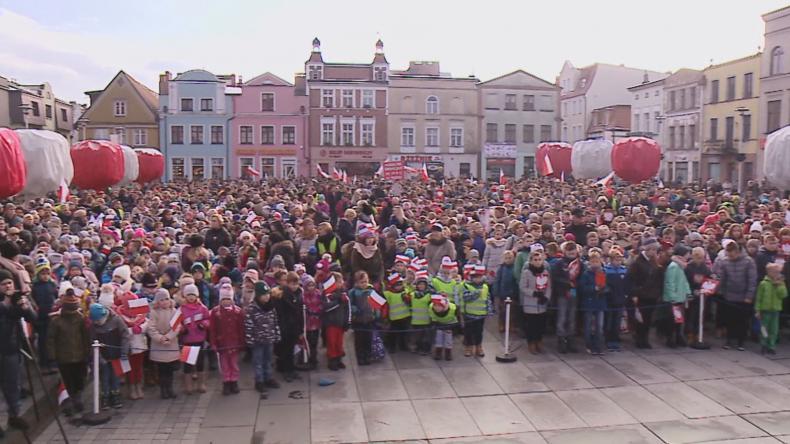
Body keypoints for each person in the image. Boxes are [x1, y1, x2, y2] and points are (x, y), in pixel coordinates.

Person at [0, 269, 36, 433]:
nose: (7, 286)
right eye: (3, 284)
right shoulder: (4, 304)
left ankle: (14, 415)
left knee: (13, 384)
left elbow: (33, 319)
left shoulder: (18, 298)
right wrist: (7, 305)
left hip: (12, 349)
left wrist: (25, 307)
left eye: (9, 282)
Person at [47, 282, 90, 416]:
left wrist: (87, 351)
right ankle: (71, 400)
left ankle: (78, 397)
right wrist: (52, 355)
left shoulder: (81, 319)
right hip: (63, 357)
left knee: (80, 379)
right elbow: (50, 339)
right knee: (67, 380)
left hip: (79, 356)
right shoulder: (56, 321)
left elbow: (85, 337)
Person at [715, 241, 757, 351]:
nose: (730, 257)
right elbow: (722, 278)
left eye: (732, 254)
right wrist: (719, 291)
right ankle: (729, 340)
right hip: (729, 296)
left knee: (742, 320)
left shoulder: (749, 262)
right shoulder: (725, 261)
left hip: (743, 297)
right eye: (728, 255)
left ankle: (741, 341)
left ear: (737, 251)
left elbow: (752, 280)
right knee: (730, 319)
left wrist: (749, 296)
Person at [88, 302, 129, 410]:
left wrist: (123, 351)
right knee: (104, 378)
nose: (98, 323)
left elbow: (125, 335)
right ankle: (105, 397)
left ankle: (116, 396)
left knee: (115, 377)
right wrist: (99, 358)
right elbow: (92, 342)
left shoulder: (116, 320)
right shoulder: (93, 327)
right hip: (103, 356)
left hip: (116, 354)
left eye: (99, 320)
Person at [244, 282, 281, 393]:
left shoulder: (271, 307)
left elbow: (275, 322)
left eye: (268, 294)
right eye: (264, 295)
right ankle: (259, 381)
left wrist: (277, 334)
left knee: (268, 360)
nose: (267, 297)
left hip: (269, 338)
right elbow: (248, 325)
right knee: (258, 361)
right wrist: (249, 339)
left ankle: (268, 377)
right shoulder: (251, 308)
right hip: (257, 341)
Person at [626, 237, 663, 349]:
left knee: (648, 319)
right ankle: (639, 339)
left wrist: (657, 292)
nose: (653, 252)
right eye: (652, 249)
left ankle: (645, 339)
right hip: (641, 295)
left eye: (655, 250)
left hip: (652, 295)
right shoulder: (637, 262)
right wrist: (635, 294)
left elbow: (658, 278)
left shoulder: (654, 261)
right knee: (640, 319)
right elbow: (631, 279)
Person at [209, 283, 245, 395]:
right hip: (222, 344)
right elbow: (213, 329)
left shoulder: (238, 312)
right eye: (223, 299)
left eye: (228, 299)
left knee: (234, 364)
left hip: (234, 343)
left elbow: (241, 328)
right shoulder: (215, 312)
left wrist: (242, 342)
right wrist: (213, 343)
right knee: (224, 365)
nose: (226, 301)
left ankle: (234, 381)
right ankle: (226, 382)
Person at [147, 289, 181, 399]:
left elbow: (177, 327)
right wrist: (160, 338)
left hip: (171, 343)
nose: (165, 302)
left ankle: (170, 388)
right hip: (159, 345)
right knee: (162, 370)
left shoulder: (174, 311)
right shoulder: (154, 312)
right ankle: (163, 389)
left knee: (170, 370)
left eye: (166, 299)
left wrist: (169, 336)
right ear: (157, 302)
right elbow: (151, 328)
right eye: (162, 300)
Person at [552, 241, 583, 353]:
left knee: (572, 318)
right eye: (569, 250)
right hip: (562, 293)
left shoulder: (580, 263)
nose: (571, 252)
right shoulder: (559, 263)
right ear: (565, 251)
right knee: (562, 317)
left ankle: (571, 340)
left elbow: (582, 277)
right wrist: (567, 283)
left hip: (575, 293)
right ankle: (561, 340)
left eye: (573, 250)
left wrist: (576, 284)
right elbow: (555, 277)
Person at [179, 283, 210, 394]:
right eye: (188, 295)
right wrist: (182, 329)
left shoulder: (202, 308)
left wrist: (204, 324)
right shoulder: (182, 309)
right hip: (187, 341)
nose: (191, 297)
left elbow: (208, 319)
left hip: (199, 339)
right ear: (185, 296)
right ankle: (188, 385)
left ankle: (201, 384)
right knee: (187, 364)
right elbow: (177, 323)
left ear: (197, 295)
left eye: (193, 295)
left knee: (200, 363)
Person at [273, 272, 303, 382]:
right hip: (285, 327)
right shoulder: (282, 296)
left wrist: (300, 329)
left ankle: (291, 369)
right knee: (285, 351)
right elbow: (280, 314)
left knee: (291, 350)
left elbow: (300, 313)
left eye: (296, 284)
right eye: (292, 284)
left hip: (294, 327)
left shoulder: (298, 294)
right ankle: (287, 371)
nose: (294, 286)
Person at [520, 247, 551, 354]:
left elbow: (549, 286)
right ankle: (531, 343)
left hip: (542, 304)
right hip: (531, 303)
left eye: (539, 259)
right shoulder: (527, 272)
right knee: (531, 325)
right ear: (531, 261)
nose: (537, 262)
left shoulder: (545, 271)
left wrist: (546, 296)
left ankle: (539, 341)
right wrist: (534, 293)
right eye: (535, 260)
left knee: (540, 325)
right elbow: (523, 287)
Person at [31, 256, 57, 372]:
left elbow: (55, 297)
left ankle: (52, 363)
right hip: (41, 318)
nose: (45, 276)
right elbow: (33, 301)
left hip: (52, 316)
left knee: (52, 341)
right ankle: (44, 363)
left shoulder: (52, 284)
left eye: (47, 273)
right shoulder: (35, 287)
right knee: (43, 341)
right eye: (42, 273)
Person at [663, 245, 691, 348]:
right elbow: (670, 282)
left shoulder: (680, 266)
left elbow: (683, 281)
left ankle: (679, 337)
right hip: (674, 298)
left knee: (679, 320)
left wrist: (688, 292)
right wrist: (672, 297)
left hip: (680, 297)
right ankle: (670, 339)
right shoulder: (674, 266)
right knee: (672, 321)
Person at [580, 249, 607, 355]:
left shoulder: (602, 273)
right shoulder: (586, 274)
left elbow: (605, 287)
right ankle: (589, 345)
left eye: (597, 261)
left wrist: (603, 289)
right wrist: (593, 288)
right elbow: (582, 288)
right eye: (593, 262)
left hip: (600, 303)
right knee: (588, 326)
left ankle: (598, 346)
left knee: (599, 326)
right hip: (589, 303)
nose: (595, 264)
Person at [755, 262, 787, 355]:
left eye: (778, 272)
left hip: (775, 310)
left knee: (774, 329)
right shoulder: (763, 283)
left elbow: (783, 295)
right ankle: (763, 344)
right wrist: (757, 310)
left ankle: (771, 345)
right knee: (764, 328)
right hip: (765, 310)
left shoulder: (781, 283)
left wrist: (779, 286)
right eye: (774, 272)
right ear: (768, 272)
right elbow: (759, 297)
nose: (776, 274)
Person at [322, 272, 350, 370]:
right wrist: (338, 300)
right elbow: (326, 308)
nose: (341, 283)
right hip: (331, 323)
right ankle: (332, 360)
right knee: (332, 342)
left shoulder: (344, 293)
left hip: (341, 322)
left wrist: (347, 321)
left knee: (339, 342)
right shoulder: (328, 294)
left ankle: (339, 359)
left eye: (341, 281)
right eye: (338, 282)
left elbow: (348, 309)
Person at [460, 265, 490, 357]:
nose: (478, 279)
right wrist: (476, 293)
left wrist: (489, 310)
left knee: (479, 332)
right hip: (469, 314)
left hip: (481, 314)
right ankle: (468, 347)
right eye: (476, 277)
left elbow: (487, 299)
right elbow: (466, 298)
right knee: (468, 331)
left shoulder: (485, 286)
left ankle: (478, 346)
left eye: (479, 277)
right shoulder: (466, 285)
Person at [348, 271, 375, 365]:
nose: (364, 284)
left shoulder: (371, 290)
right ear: (356, 282)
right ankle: (360, 357)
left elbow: (376, 304)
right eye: (362, 282)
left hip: (369, 319)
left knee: (368, 339)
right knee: (359, 340)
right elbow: (350, 304)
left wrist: (376, 313)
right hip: (358, 320)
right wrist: (354, 309)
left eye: (366, 281)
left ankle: (368, 356)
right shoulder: (353, 292)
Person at [604, 247, 628, 351]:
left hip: (620, 300)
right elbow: (601, 285)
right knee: (609, 321)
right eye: (616, 260)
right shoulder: (605, 271)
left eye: (619, 260)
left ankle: (615, 339)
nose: (618, 262)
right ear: (610, 260)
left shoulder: (624, 270)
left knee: (617, 321)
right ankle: (608, 339)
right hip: (609, 300)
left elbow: (627, 285)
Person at [383, 272, 411, 353]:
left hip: (405, 316)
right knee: (393, 334)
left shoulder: (405, 291)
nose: (399, 287)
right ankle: (392, 346)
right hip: (394, 318)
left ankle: (403, 345)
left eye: (400, 284)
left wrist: (407, 298)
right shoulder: (389, 293)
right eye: (397, 285)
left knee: (404, 333)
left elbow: (410, 300)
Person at [492, 250, 517, 333]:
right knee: (502, 311)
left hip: (513, 292)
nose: (508, 260)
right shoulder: (501, 268)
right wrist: (496, 292)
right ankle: (501, 324)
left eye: (510, 258)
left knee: (513, 311)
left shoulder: (515, 267)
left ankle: (511, 325)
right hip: (502, 292)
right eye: (506, 258)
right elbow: (497, 280)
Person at [410, 271, 433, 355]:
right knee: (417, 337)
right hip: (415, 321)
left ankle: (426, 349)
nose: (421, 286)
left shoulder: (429, 295)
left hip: (426, 320)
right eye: (419, 284)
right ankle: (417, 347)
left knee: (426, 337)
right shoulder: (412, 295)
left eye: (423, 284)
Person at [430, 295, 459, 360]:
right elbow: (433, 316)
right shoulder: (431, 307)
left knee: (448, 340)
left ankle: (448, 353)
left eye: (439, 306)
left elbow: (457, 319)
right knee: (438, 338)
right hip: (439, 324)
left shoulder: (453, 308)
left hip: (450, 324)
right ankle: (438, 352)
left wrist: (453, 327)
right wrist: (434, 324)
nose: (436, 308)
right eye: (435, 305)